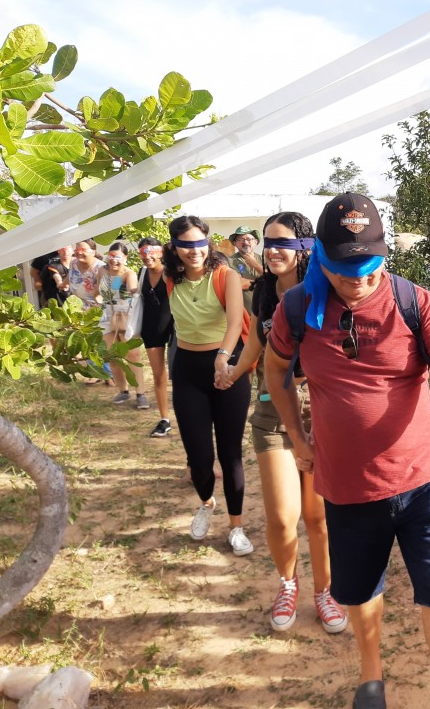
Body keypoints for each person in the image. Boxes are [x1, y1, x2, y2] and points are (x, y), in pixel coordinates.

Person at [264, 193, 430, 709]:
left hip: (424, 482)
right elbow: (275, 372)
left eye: (369, 263)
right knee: (358, 592)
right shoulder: (296, 307)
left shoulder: (415, 301)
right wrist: (296, 437)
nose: (358, 277)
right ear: (321, 258)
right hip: (347, 488)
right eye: (343, 266)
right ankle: (371, 674)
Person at [218, 211, 347, 634]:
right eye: (267, 241)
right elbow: (256, 340)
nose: (272, 250)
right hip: (274, 412)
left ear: (305, 248)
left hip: (323, 413)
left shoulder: (327, 290)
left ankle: (324, 592)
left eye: (283, 242)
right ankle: (288, 584)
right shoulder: (267, 293)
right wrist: (232, 372)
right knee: (281, 516)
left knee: (318, 518)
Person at [163, 215, 254, 557]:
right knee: (199, 457)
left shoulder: (226, 275)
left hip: (227, 367)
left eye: (199, 242)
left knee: (231, 454)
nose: (194, 250)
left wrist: (223, 358)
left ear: (208, 242)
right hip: (187, 369)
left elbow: (234, 321)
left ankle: (236, 526)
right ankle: (206, 502)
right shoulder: (171, 278)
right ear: (175, 247)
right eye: (185, 244)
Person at [96, 242, 149, 408]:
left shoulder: (128, 273)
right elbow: (98, 292)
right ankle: (123, 390)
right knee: (111, 355)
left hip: (125, 314)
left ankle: (140, 393)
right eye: (111, 257)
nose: (114, 261)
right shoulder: (102, 271)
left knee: (133, 355)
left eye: (118, 257)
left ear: (125, 258)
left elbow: (133, 287)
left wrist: (133, 288)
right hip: (107, 315)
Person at [137, 237, 176, 437]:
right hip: (151, 329)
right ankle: (164, 419)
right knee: (159, 375)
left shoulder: (171, 271)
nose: (147, 256)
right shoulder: (141, 273)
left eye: (150, 251)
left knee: (179, 374)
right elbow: (126, 291)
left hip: (177, 328)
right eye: (142, 253)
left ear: (160, 252)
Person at [226, 225, 264, 315]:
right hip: (242, 315)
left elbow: (274, 278)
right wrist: (264, 282)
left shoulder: (265, 259)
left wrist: (254, 264)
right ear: (235, 243)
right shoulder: (229, 261)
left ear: (256, 242)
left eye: (249, 239)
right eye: (240, 239)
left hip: (264, 313)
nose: (245, 242)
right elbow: (238, 283)